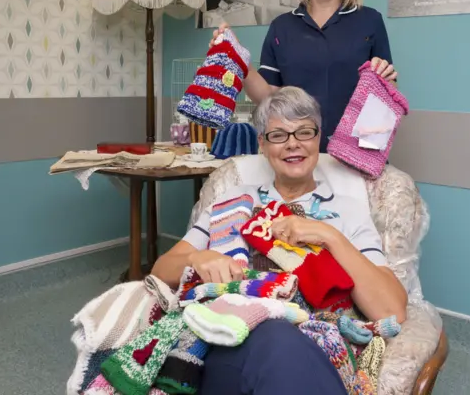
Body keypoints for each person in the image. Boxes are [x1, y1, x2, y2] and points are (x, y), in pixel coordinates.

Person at [152, 87, 407, 395]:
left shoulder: (347, 211)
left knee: (280, 340)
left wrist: (329, 236)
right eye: (278, 135)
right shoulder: (235, 200)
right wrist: (196, 259)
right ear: (262, 144)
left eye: (304, 132)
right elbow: (161, 269)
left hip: (307, 340)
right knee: (272, 339)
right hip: (228, 338)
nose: (293, 145)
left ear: (318, 138)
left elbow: (391, 309)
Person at [210, 0, 398, 152]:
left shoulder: (370, 21)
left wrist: (388, 82)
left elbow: (386, 94)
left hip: (357, 159)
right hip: (296, 158)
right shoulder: (282, 27)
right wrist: (239, 61)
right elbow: (268, 96)